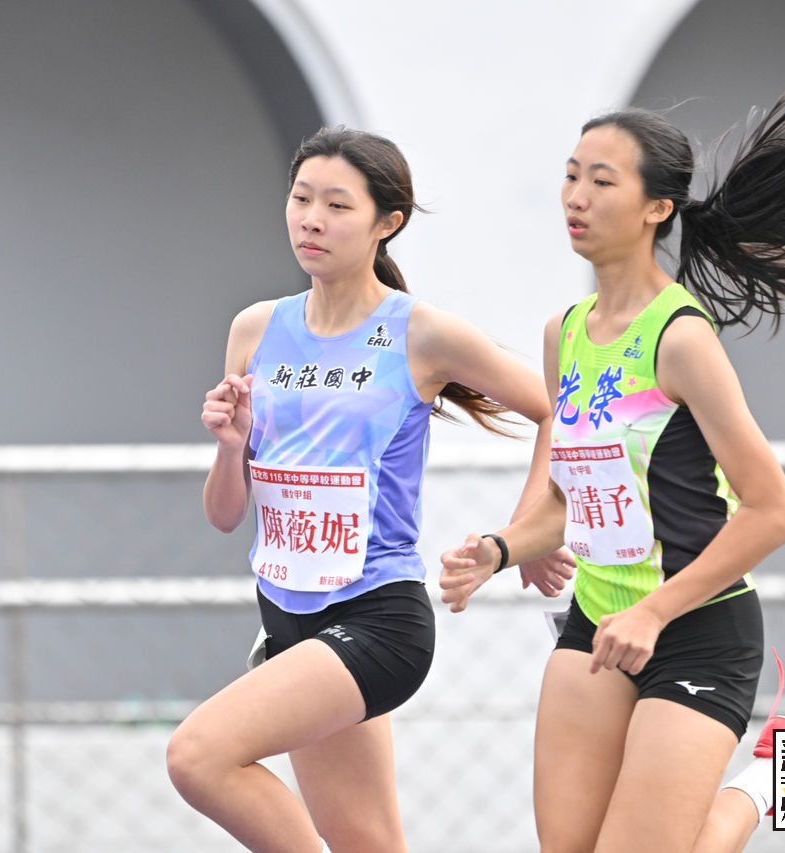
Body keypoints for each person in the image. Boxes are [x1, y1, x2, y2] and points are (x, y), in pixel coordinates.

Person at [438, 94, 785, 852]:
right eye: (571, 175)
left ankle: (772, 777)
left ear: (657, 208)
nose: (576, 197)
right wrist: (498, 550)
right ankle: (776, 770)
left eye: (602, 181)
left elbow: (774, 511)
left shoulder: (682, 338)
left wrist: (654, 612)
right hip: (598, 623)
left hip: (698, 630)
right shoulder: (563, 334)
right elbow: (566, 498)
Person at [165, 126, 572, 853]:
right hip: (286, 619)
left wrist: (527, 535)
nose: (311, 220)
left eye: (337, 205)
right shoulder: (256, 328)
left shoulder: (420, 333)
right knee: (367, 843)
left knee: (197, 756)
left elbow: (556, 410)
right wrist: (230, 449)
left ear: (388, 222)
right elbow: (226, 516)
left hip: (378, 619)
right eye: (301, 199)